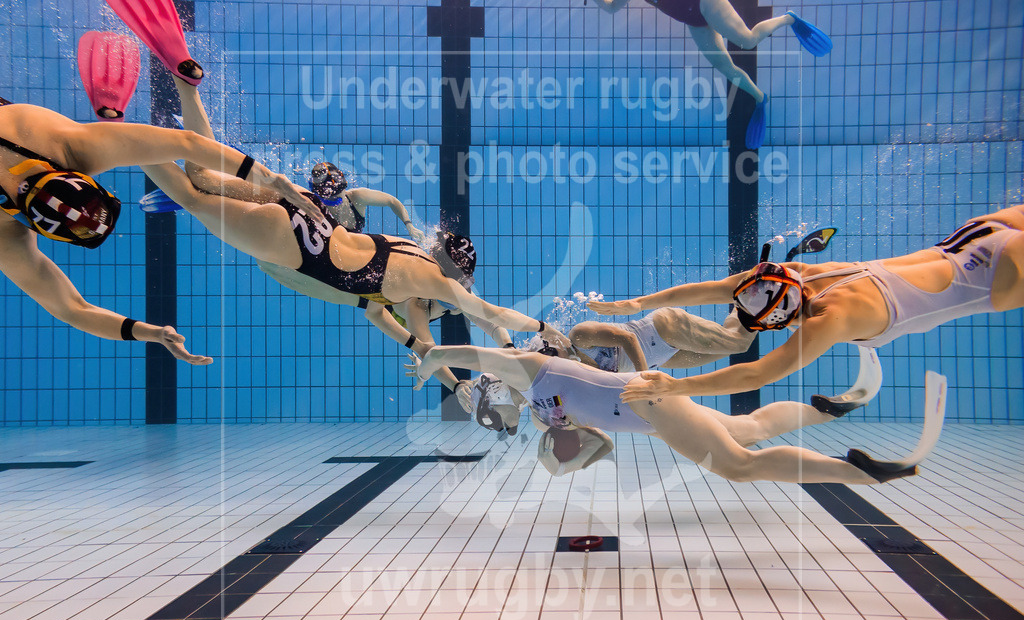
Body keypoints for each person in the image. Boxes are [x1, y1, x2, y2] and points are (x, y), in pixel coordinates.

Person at [139, 77, 571, 372]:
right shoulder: (430, 285)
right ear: (454, 274)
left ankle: (185, 83)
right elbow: (489, 314)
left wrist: (525, 335)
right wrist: (542, 328)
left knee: (201, 175)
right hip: (293, 245)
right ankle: (126, 136)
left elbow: (437, 329)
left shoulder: (410, 247)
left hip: (310, 209)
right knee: (190, 198)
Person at [588, 204, 1024, 402]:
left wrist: (677, 387)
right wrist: (638, 303)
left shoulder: (830, 319)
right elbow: (712, 289)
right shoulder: (799, 272)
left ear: (784, 320)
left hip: (994, 278)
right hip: (978, 236)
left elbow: (759, 372)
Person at [0, 96, 317, 365]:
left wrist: (268, 178)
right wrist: (151, 333)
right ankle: (130, 117)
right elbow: (73, 310)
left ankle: (138, 114)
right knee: (198, 186)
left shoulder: (57, 141)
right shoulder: (62, 144)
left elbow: (73, 309)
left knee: (198, 186)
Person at [406, 344, 935, 484]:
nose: (500, 420)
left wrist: (431, 360)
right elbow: (602, 444)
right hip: (652, 411)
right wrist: (563, 456)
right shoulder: (543, 416)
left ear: (494, 389)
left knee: (739, 466)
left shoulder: (526, 368)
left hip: (649, 402)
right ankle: (833, 408)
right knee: (749, 429)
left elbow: (469, 354)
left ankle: (858, 471)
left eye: (491, 410)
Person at [593, 0, 832, 148]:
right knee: (724, 67)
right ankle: (760, 98)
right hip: (693, 19)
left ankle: (789, 19)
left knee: (747, 40)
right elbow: (610, 7)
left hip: (707, 3)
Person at [567, 308, 754, 372]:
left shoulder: (578, 335)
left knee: (739, 344)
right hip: (664, 359)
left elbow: (628, 338)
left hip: (663, 330)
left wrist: (643, 378)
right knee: (732, 346)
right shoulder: (574, 371)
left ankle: (758, 293)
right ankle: (746, 302)